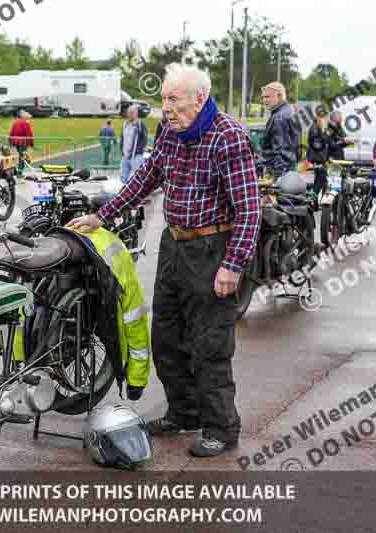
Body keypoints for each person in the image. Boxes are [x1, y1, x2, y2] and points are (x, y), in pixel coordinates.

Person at [66, 63, 260, 458]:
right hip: (175, 245)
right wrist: (101, 216)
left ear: (200, 98)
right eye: (163, 99)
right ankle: (184, 412)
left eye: (174, 99)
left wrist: (233, 264)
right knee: (167, 338)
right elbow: (143, 180)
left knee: (210, 344)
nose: (166, 108)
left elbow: (250, 209)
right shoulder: (171, 134)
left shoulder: (228, 136)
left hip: (212, 249)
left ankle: (221, 428)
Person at [260, 81, 299, 177]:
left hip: (281, 172)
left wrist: (277, 178)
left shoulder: (279, 117)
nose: (264, 101)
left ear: (279, 96)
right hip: (290, 169)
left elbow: (281, 152)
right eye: (263, 97)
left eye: (267, 97)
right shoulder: (289, 112)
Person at [119, 105, 148, 184]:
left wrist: (139, 150)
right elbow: (122, 137)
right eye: (129, 112)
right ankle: (124, 192)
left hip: (136, 156)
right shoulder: (125, 124)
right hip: (125, 155)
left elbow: (144, 139)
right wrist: (121, 150)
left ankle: (141, 192)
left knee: (139, 176)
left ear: (136, 113)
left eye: (132, 112)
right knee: (123, 176)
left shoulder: (140, 124)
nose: (130, 114)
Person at [307, 111, 331, 194]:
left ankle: (315, 200)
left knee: (321, 180)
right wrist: (325, 135)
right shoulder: (315, 129)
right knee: (320, 180)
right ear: (320, 119)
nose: (327, 121)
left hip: (320, 159)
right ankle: (312, 198)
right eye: (325, 119)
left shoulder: (318, 128)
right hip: (317, 159)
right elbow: (317, 146)